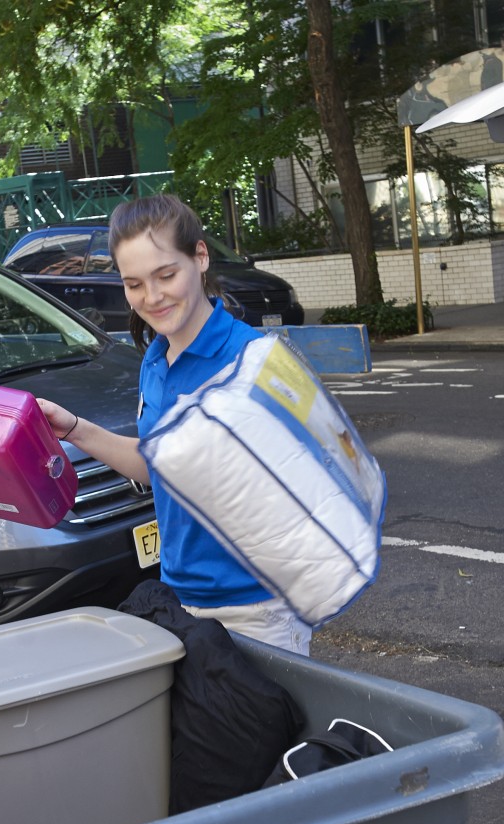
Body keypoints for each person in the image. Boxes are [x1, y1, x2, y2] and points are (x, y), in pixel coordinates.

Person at [35, 194, 313, 655]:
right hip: (182, 597)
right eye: (134, 284)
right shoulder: (155, 360)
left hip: (259, 608)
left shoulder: (256, 361)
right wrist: (75, 430)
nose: (153, 297)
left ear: (199, 257)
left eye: (166, 275)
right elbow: (156, 463)